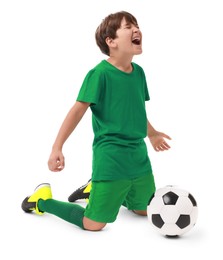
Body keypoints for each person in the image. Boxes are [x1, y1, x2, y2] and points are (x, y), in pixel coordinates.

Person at [21, 11, 171, 231]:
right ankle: (41, 200)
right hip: (111, 157)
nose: (136, 29)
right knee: (93, 224)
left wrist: (153, 133)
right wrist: (57, 147)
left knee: (145, 209)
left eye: (136, 25)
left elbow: (135, 110)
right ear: (111, 41)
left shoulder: (139, 73)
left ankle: (97, 190)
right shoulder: (99, 74)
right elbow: (77, 111)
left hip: (138, 156)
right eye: (128, 26)